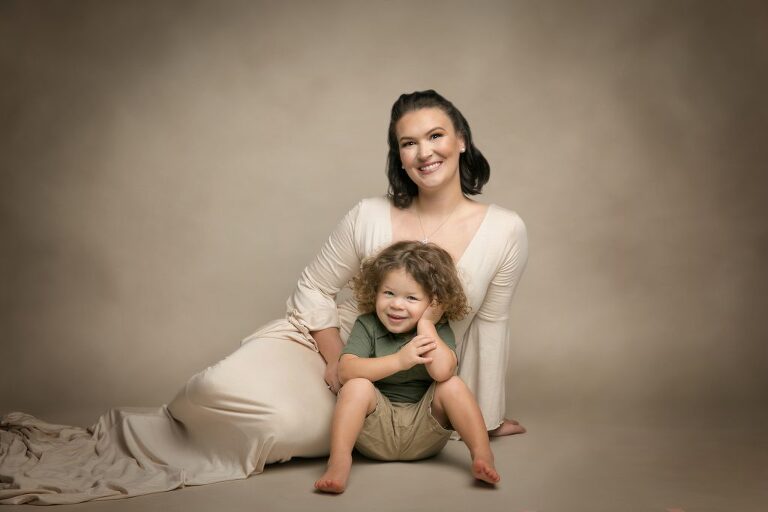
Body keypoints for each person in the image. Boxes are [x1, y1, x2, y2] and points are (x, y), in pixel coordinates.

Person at [0, 90, 527, 504]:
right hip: (333, 349)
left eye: (435, 135)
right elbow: (314, 288)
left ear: (461, 140)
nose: (424, 152)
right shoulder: (368, 214)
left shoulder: (505, 230)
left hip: (411, 384)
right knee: (213, 389)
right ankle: (152, 430)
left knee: (274, 430)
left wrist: (489, 416)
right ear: (399, 156)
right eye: (408, 143)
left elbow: (491, 324)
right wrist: (333, 362)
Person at [314, 240, 500, 494]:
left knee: (452, 385)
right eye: (388, 293)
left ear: (434, 303)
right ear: (375, 291)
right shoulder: (368, 325)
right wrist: (399, 361)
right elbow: (346, 372)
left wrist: (426, 325)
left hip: (425, 431)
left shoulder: (435, 329)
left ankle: (482, 455)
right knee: (357, 386)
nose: (396, 305)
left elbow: (442, 372)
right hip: (375, 430)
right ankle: (339, 461)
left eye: (411, 298)